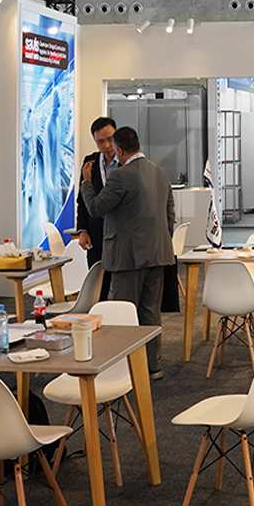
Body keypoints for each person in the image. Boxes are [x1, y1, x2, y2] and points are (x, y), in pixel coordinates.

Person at [80, 126, 175, 378]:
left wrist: (86, 183)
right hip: (158, 253)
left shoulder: (120, 176)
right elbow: (170, 214)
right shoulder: (159, 171)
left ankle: (123, 370)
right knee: (150, 312)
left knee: (124, 313)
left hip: (128, 258)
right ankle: (152, 367)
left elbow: (96, 208)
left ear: (120, 150)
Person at [76, 116, 118, 298]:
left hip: (121, 234)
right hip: (96, 233)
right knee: (98, 289)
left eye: (110, 139)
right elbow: (82, 200)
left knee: (121, 288)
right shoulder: (90, 162)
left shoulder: (127, 162)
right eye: (101, 141)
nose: (107, 145)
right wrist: (82, 230)